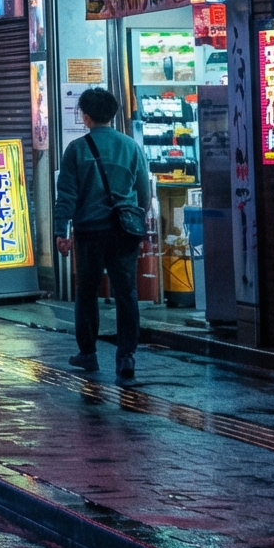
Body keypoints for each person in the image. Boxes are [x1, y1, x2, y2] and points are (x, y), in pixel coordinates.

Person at [55, 85, 156, 379]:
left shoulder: (76, 149)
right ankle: (126, 357)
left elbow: (67, 196)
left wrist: (62, 231)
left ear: (86, 117)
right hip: (124, 232)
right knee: (127, 294)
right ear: (112, 114)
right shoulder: (131, 147)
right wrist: (136, 223)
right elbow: (143, 194)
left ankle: (88, 354)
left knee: (86, 292)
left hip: (89, 231)